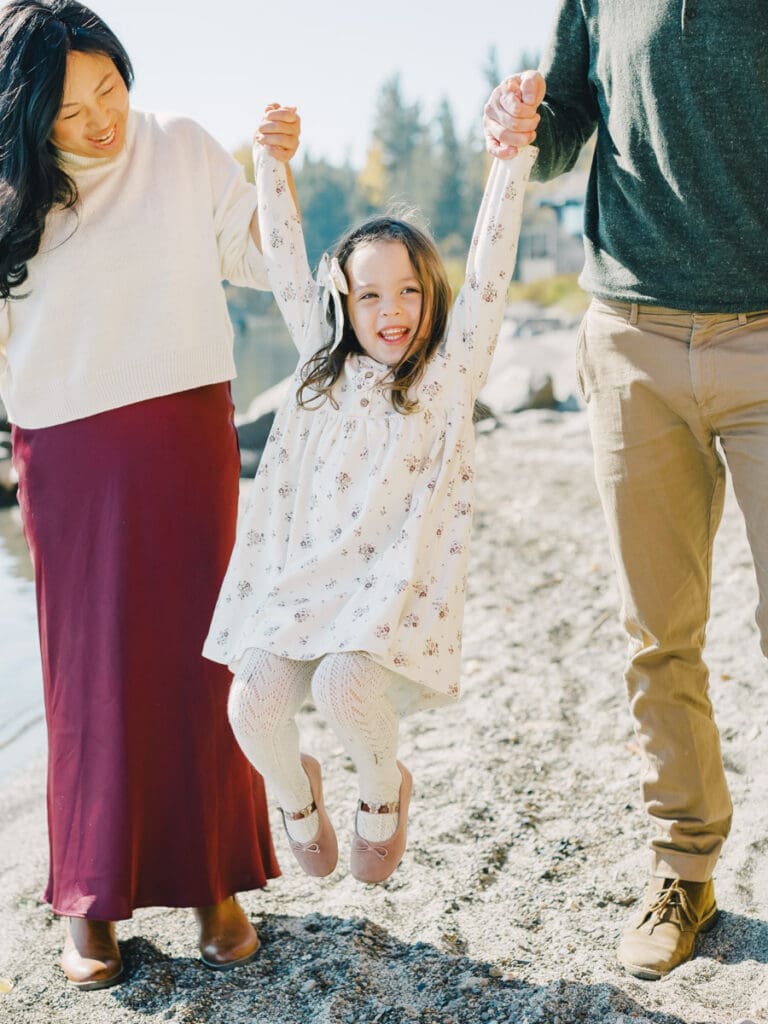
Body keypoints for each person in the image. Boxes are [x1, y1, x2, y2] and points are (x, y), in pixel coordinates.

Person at [0, 0, 300, 990]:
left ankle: (218, 883)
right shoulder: (11, 199)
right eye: (70, 106)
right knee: (87, 679)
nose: (99, 119)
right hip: (69, 454)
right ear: (28, 113)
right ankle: (90, 898)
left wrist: (276, 175)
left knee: (200, 663)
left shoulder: (181, 150)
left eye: (110, 89)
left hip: (185, 435)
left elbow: (267, 261)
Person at [483, 0, 768, 982]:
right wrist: (523, 123)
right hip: (633, 339)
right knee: (658, 632)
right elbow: (565, 124)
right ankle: (685, 871)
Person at [202, 129, 536, 885]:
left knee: (343, 687)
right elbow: (287, 260)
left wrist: (511, 156)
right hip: (303, 584)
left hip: (391, 589)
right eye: (372, 294)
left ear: (433, 295)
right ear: (343, 303)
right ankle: (296, 799)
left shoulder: (449, 378)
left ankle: (384, 797)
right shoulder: (321, 369)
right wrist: (272, 162)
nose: (393, 312)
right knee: (251, 703)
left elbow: (491, 267)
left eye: (410, 290)